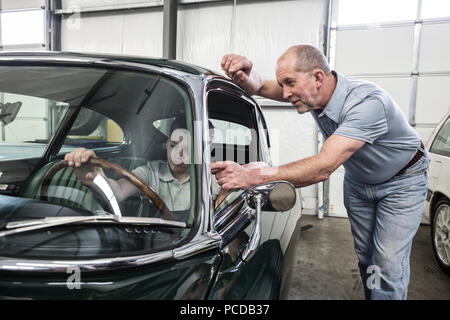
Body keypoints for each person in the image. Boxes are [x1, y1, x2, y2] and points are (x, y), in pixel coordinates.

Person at [214, 44, 429, 300]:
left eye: (290, 83)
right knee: (366, 255)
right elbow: (261, 87)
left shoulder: (368, 104)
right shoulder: (312, 92)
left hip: (402, 182)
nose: (285, 93)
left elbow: (323, 167)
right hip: (359, 182)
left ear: (318, 77)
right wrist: (246, 77)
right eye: (283, 84)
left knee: (387, 262)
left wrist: (254, 176)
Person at [65, 117, 221, 218]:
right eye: (173, 146)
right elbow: (117, 191)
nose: (178, 158)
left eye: (188, 151)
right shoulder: (151, 172)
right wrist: (96, 178)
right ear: (167, 142)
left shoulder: (214, 178)